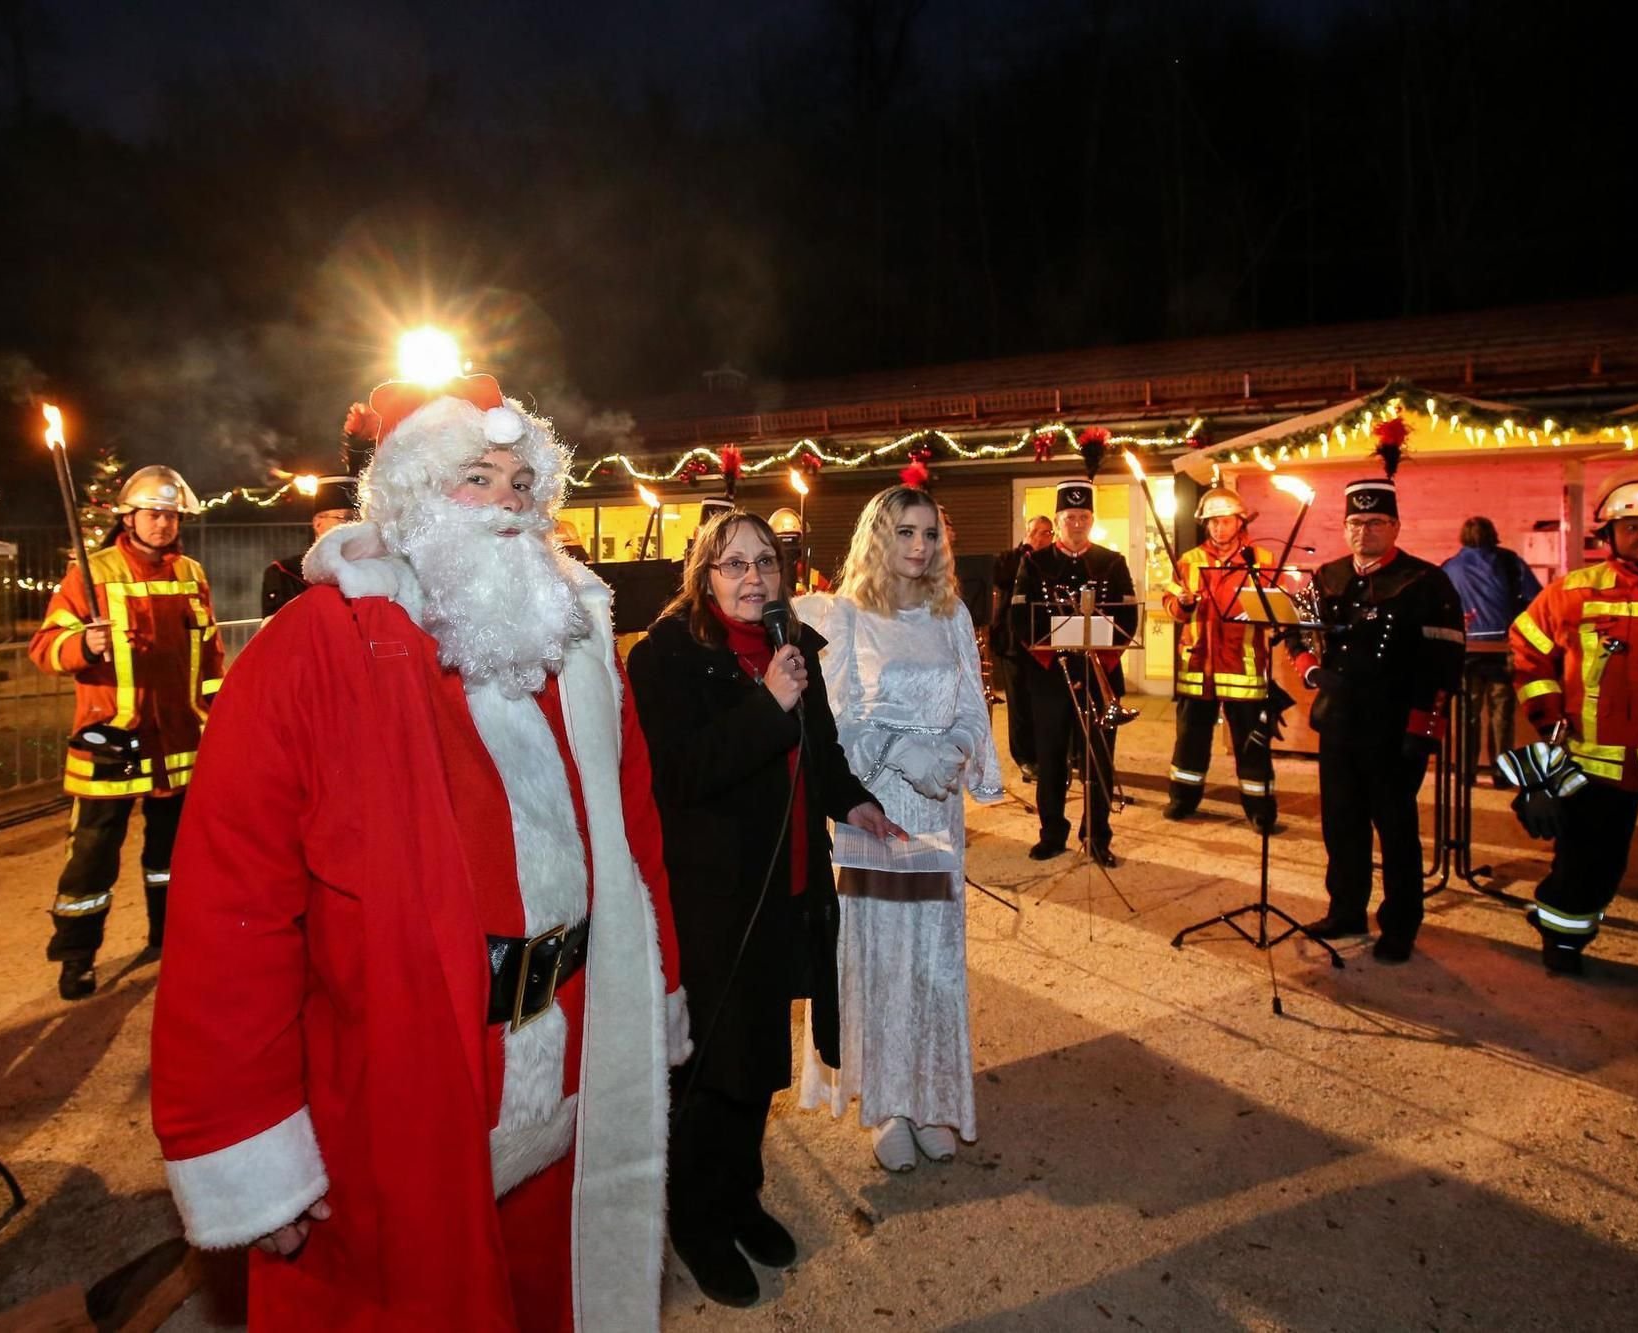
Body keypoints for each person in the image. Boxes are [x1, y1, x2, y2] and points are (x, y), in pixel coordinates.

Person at [150, 373, 687, 1330]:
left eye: (526, 484)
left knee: (552, 1297)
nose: (511, 505)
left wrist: (661, 993)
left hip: (569, 1068)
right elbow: (233, 914)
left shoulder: (577, 644)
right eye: (479, 477)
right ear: (409, 500)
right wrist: (249, 1145)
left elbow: (639, 844)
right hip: (400, 1094)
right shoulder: (312, 650)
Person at [626, 509, 896, 1309]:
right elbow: (676, 775)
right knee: (712, 1067)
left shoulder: (793, 646)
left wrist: (855, 803)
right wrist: (764, 704)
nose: (753, 579)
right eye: (733, 564)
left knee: (760, 1063)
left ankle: (741, 1195)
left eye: (765, 564)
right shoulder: (665, 658)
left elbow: (823, 750)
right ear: (703, 573)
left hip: (791, 889)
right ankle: (697, 1220)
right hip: (714, 899)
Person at [797, 486, 1002, 1173]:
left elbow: (975, 701)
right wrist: (898, 752)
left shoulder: (951, 613)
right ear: (879, 538)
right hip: (879, 809)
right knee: (883, 955)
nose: (920, 547)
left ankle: (928, 1092)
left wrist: (955, 751)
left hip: (938, 806)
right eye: (905, 533)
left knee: (934, 960)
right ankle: (886, 1103)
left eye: (930, 534)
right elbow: (838, 718)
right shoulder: (850, 613)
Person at [29, 465, 222, 1001]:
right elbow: (45, 647)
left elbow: (210, 654)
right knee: (92, 854)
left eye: (170, 515)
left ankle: (168, 938)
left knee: (174, 857)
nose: (162, 524)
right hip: (111, 739)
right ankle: (76, 956)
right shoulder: (93, 573)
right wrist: (82, 647)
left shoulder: (193, 575)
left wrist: (214, 710)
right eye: (153, 514)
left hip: (178, 741)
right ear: (129, 517)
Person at [1286, 474, 1464, 963]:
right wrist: (1310, 671)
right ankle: (1346, 909)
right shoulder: (1328, 576)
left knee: (1396, 829)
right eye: (1355, 522)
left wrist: (1424, 728)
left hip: (1394, 727)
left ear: (1396, 525)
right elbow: (1297, 635)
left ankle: (1400, 924)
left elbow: (1445, 663)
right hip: (1340, 723)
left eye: (1376, 522)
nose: (1364, 531)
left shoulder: (1427, 582)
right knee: (1341, 824)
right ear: (1344, 527)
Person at [1509, 465, 1638, 972]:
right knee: (1585, 869)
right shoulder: (1574, 592)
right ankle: (1561, 940)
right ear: (1609, 534)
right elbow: (1527, 652)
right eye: (1631, 526)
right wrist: (1548, 719)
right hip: (1597, 766)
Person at [1012, 483, 1138, 866]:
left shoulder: (1112, 562)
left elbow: (1129, 617)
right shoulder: (1034, 562)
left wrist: (1103, 658)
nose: (1077, 524)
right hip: (1051, 676)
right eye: (1070, 518)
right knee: (1050, 759)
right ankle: (1052, 833)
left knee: (1099, 759)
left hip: (1100, 672)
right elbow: (1020, 617)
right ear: (1059, 522)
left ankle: (1098, 836)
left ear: (1092, 521)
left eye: (1084, 518)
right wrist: (1051, 655)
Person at [1162, 487, 1279, 831]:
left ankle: (1259, 809)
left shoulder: (1262, 560)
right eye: (1212, 522)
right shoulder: (1189, 560)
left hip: (1243, 666)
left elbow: (1275, 610)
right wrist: (1182, 604)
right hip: (1197, 667)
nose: (1218, 529)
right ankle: (1182, 799)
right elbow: (1173, 608)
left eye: (1224, 521)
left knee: (1251, 743)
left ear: (1239, 521)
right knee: (1190, 739)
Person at [1442, 516, 1542, 785]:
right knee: (1501, 715)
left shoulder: (1450, 567)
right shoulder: (1510, 563)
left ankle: (1465, 773)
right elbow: (1536, 600)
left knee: (1466, 715)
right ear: (1493, 534)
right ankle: (1502, 774)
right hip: (1502, 649)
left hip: (1466, 652)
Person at [988, 515, 1052, 783]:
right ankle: (1025, 758)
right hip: (1015, 644)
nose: (1046, 537)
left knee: (1043, 702)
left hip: (1043, 642)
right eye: (1041, 532)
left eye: (1049, 533)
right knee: (1020, 704)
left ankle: (1046, 755)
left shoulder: (1051, 562)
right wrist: (1026, 551)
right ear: (1030, 533)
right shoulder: (1011, 558)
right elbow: (1001, 577)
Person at [259, 475, 356, 620]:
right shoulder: (285, 574)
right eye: (346, 518)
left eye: (358, 519)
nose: (354, 525)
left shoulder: (369, 570)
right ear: (318, 524)